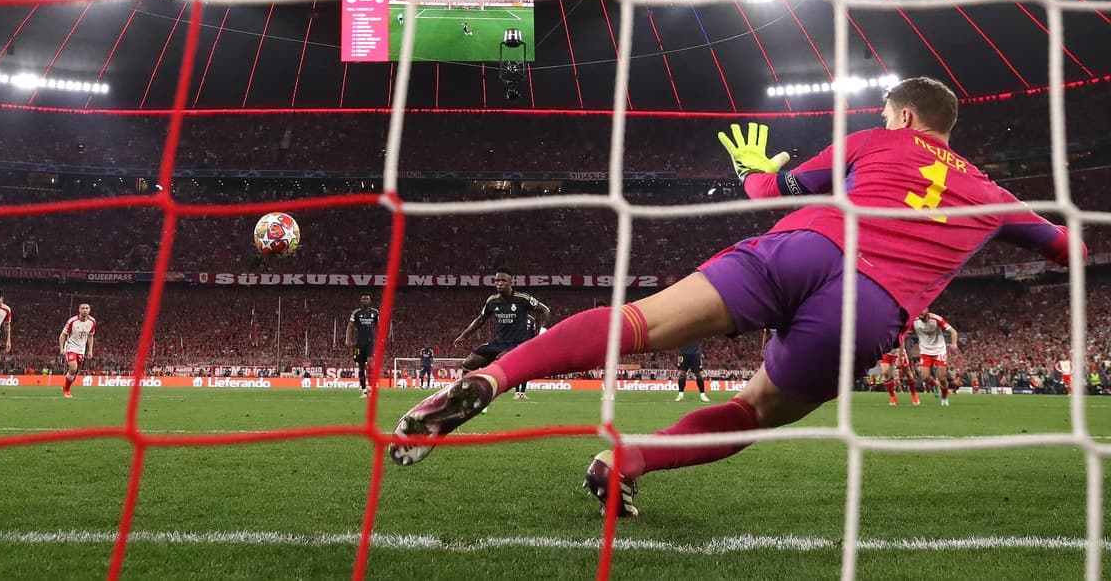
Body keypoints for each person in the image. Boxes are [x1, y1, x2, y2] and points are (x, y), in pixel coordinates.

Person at [389, 76, 1082, 518]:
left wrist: (757, 169)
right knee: (749, 410)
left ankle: (492, 376)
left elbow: (765, 192)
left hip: (804, 245)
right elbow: (1068, 251)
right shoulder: (995, 196)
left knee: (638, 321)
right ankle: (627, 458)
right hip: (869, 305)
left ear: (901, 115)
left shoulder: (875, 139)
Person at [450, 270, 550, 401]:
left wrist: (542, 333)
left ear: (511, 283)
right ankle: (468, 395)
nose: (499, 283)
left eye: (503, 281)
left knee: (500, 362)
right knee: (468, 364)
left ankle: (489, 392)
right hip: (497, 343)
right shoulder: (492, 301)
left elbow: (545, 310)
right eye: (497, 281)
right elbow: (481, 319)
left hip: (516, 345)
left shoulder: (522, 299)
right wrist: (464, 335)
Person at [912, 309, 958, 406]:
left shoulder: (936, 319)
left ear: (927, 310)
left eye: (923, 309)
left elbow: (953, 331)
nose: (920, 311)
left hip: (939, 350)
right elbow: (903, 332)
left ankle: (944, 398)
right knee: (924, 378)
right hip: (925, 351)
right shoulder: (913, 321)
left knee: (942, 378)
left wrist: (954, 344)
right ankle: (935, 385)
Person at [345, 294, 380, 398]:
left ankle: (372, 387)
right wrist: (348, 340)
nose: (365, 300)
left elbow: (379, 326)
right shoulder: (356, 313)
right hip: (359, 343)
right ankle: (364, 391)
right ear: (361, 301)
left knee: (370, 363)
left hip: (370, 343)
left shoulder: (375, 312)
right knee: (360, 366)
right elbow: (350, 327)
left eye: (367, 299)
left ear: (370, 301)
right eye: (364, 299)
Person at [58, 302, 96, 399]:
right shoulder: (72, 321)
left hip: (81, 349)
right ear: (79, 310)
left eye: (87, 308)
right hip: (71, 347)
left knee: (75, 372)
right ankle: (66, 389)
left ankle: (66, 386)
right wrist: (62, 348)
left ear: (89, 310)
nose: (85, 310)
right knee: (73, 368)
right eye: (82, 308)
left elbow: (91, 336)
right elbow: (63, 335)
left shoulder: (92, 322)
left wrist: (90, 350)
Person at [879, 333, 920, 406]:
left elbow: (902, 343)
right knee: (885, 373)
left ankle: (914, 394)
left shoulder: (895, 328)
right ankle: (893, 397)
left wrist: (900, 358)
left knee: (908, 374)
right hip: (886, 353)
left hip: (898, 352)